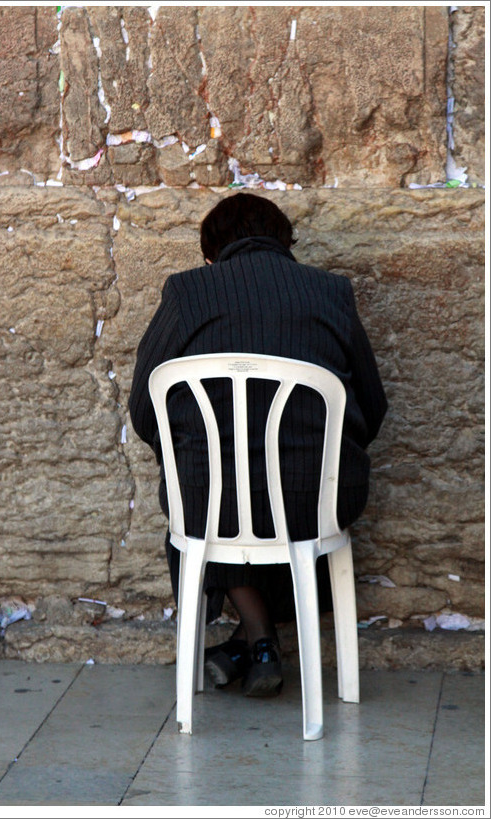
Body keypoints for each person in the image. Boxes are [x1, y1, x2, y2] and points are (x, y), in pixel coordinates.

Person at [129, 192, 387, 697]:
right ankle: (257, 644)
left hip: (210, 499)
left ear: (211, 254)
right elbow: (372, 405)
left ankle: (252, 639)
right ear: (285, 243)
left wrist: (181, 456)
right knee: (270, 505)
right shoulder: (331, 291)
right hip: (321, 496)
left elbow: (145, 407)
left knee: (210, 501)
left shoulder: (187, 293)